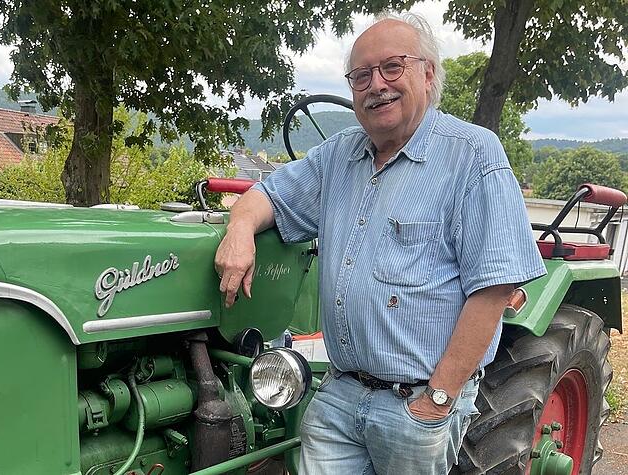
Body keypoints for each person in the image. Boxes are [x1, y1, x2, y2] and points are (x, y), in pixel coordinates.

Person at [214, 12, 546, 475]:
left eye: (393, 67)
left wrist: (437, 399)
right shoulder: (338, 154)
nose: (376, 85)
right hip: (340, 393)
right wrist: (239, 230)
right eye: (361, 75)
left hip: (417, 402)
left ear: (427, 74)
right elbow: (265, 195)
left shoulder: (473, 153)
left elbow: (492, 290)